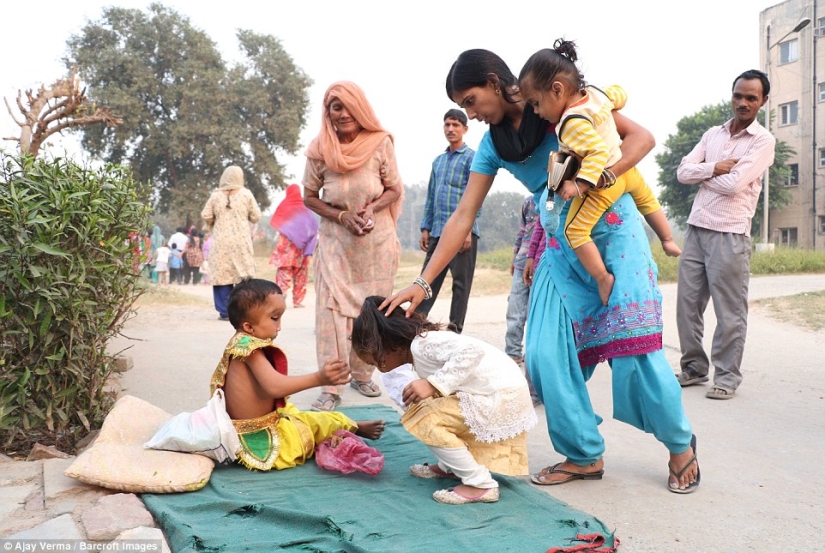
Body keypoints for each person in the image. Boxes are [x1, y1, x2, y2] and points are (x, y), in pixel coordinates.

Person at [384, 49, 700, 493]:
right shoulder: (494, 145)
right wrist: (422, 282)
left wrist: (600, 178)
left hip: (612, 231)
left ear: (495, 82)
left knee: (636, 349)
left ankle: (680, 446)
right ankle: (583, 455)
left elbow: (641, 139)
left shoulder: (562, 105)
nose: (470, 115)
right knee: (544, 354)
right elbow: (462, 216)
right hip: (559, 241)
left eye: (471, 101)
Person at [518, 39, 681, 306]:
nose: (536, 112)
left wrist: (580, 186)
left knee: (575, 231)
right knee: (648, 201)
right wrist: (610, 106)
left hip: (607, 181)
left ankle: (602, 278)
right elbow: (620, 95)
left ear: (557, 90)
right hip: (629, 169)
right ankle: (668, 239)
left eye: (536, 103)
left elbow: (595, 152)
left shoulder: (570, 123)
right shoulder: (595, 95)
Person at [351, 296, 536, 505]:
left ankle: (480, 484)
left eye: (376, 361)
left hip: (503, 397)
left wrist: (433, 383)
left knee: (426, 417)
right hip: (498, 394)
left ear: (388, 345)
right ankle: (450, 467)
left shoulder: (423, 344)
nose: (379, 368)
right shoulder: (418, 348)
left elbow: (472, 352)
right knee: (432, 408)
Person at [209, 278, 385, 471]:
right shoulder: (249, 348)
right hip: (257, 434)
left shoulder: (240, 342)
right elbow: (274, 387)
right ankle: (353, 426)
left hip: (260, 421)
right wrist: (319, 378)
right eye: (274, 318)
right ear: (249, 327)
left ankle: (352, 425)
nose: (279, 326)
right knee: (313, 423)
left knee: (308, 418)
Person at [302, 81, 404, 411]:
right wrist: (342, 215)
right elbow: (309, 197)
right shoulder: (319, 150)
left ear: (360, 109)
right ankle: (331, 387)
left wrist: (370, 209)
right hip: (336, 243)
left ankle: (362, 373)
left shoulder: (379, 144)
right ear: (327, 113)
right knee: (331, 312)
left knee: (371, 311)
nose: (342, 113)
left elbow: (393, 189)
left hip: (376, 244)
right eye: (335, 107)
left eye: (347, 106)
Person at [674, 69, 776, 401]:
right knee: (687, 305)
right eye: (738, 96)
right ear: (731, 96)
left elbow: (735, 185)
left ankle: (728, 375)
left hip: (730, 234)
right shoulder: (712, 135)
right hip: (697, 229)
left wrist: (701, 175)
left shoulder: (763, 141)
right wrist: (714, 168)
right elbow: (681, 171)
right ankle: (694, 367)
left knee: (729, 311)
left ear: (762, 101)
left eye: (751, 97)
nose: (743, 103)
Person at [417, 109, 478, 333]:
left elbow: (476, 196)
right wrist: (425, 227)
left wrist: (468, 230)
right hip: (437, 232)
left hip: (463, 233)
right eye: (447, 125)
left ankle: (454, 333)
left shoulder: (473, 158)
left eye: (456, 125)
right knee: (427, 281)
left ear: (465, 129)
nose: (451, 129)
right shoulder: (438, 162)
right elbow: (431, 196)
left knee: (460, 286)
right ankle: (416, 327)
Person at [201, 166, 262, 321]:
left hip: (221, 241)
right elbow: (256, 216)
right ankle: (243, 310)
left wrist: (215, 221)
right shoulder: (246, 194)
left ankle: (224, 312)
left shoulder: (215, 196)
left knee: (222, 274)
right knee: (243, 274)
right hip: (241, 241)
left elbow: (206, 214)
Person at [505, 195, 541, 405]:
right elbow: (522, 231)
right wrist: (515, 256)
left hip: (543, 264)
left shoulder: (556, 197)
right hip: (521, 264)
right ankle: (512, 354)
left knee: (535, 316)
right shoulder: (529, 202)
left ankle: (532, 364)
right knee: (514, 312)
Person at [268, 184, 319, 308]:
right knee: (301, 275)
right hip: (301, 248)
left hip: (286, 246)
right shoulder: (304, 207)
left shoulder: (283, 206)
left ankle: (281, 293)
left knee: (283, 272)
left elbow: (277, 221)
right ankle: (297, 301)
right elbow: (313, 226)